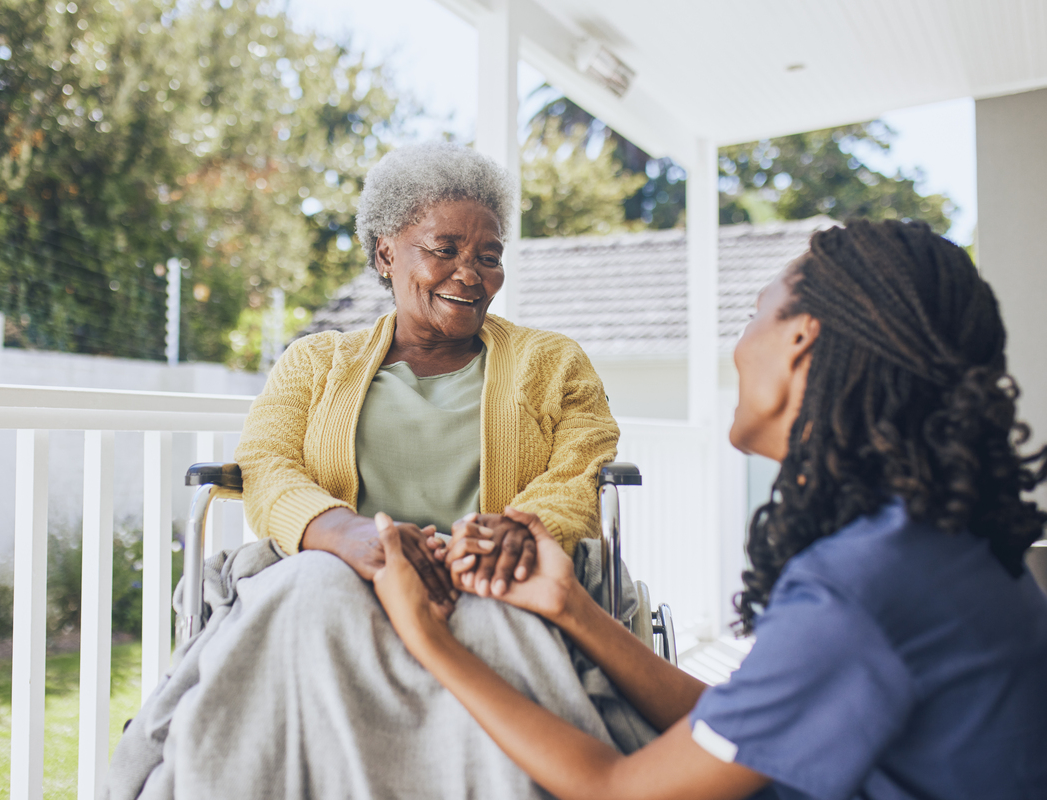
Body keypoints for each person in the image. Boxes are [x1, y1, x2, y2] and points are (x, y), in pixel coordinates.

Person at [373, 219, 1047, 800]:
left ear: (799, 341)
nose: (738, 345)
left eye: (754, 313)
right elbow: (739, 725)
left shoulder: (864, 589)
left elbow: (620, 789)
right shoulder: (926, 548)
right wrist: (571, 606)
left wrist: (425, 637)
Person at [235, 140, 618, 601]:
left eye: (488, 258)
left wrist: (523, 531)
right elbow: (264, 464)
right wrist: (343, 533)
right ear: (386, 255)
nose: (471, 275)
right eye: (445, 249)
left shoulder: (554, 363)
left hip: (493, 580)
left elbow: (582, 472)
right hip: (343, 574)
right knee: (316, 591)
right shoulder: (314, 362)